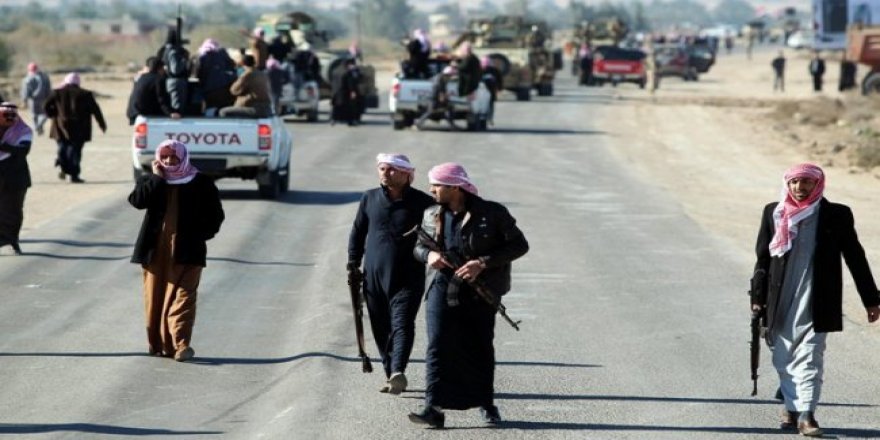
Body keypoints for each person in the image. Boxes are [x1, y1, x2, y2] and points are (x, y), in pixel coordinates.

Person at [751, 163, 880, 437]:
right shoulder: (773, 213)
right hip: (780, 300)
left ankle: (806, 414)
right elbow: (763, 259)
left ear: (818, 184)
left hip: (817, 301)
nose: (800, 188)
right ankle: (790, 405)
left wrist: (871, 299)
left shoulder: (836, 214)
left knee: (810, 356)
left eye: (807, 182)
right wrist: (758, 298)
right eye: (795, 182)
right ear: (788, 184)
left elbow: (855, 257)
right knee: (783, 357)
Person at [408, 163, 529, 429]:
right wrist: (430, 256)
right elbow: (418, 247)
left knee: (479, 346)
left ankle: (486, 403)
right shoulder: (431, 214)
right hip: (441, 286)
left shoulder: (492, 212)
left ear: (454, 187)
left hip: (480, 290)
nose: (431, 190)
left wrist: (483, 263)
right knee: (438, 344)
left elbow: (520, 245)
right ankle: (433, 407)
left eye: (437, 186)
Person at [128, 139, 224, 362]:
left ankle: (181, 345)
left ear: (184, 158)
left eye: (175, 157)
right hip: (155, 252)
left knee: (184, 297)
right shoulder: (152, 180)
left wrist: (199, 235)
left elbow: (216, 216)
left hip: (189, 250)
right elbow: (137, 201)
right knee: (156, 298)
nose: (170, 161)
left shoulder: (201, 182)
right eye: (166, 157)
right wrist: (157, 179)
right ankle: (158, 344)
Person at [347, 154, 434, 395]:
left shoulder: (423, 203)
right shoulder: (370, 198)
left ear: (408, 174)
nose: (386, 173)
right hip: (373, 276)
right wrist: (353, 263)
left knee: (402, 323)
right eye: (382, 169)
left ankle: (398, 370)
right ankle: (390, 373)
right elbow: (357, 232)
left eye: (392, 170)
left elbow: (436, 236)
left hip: (408, 276)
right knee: (380, 326)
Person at [43, 72, 107, 183]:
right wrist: (102, 124)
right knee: (75, 151)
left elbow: (45, 106)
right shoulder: (85, 94)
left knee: (62, 147)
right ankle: (73, 175)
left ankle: (63, 165)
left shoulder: (57, 93)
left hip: (60, 126)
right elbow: (96, 110)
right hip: (80, 128)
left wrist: (53, 114)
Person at [0, 102, 33, 256]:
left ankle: (12, 241)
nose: (9, 119)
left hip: (16, 177)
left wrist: (4, 146)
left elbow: (23, 151)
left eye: (12, 116)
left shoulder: (24, 131)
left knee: (13, 211)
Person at [192, 38, 237, 116]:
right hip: (223, 88)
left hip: (208, 90)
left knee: (210, 107)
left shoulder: (202, 56)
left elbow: (198, 73)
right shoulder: (222, 53)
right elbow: (232, 66)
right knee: (223, 107)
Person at [126, 57, 173, 125]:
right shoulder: (158, 79)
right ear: (160, 68)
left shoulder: (140, 77)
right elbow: (161, 98)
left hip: (133, 112)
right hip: (143, 113)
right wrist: (170, 113)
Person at [157, 28, 191, 116]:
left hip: (170, 81)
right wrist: (184, 59)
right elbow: (175, 70)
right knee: (177, 109)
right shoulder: (173, 52)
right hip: (176, 82)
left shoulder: (166, 49)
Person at [19, 62, 52, 135]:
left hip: (32, 100)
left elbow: (25, 90)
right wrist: (49, 97)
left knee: (34, 115)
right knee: (45, 114)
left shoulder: (27, 79)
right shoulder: (45, 77)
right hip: (43, 99)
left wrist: (24, 100)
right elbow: (49, 88)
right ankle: (39, 127)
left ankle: (37, 127)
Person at [331, 58, 363, 126]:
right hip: (345, 92)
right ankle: (350, 121)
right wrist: (353, 91)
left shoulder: (335, 71)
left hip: (336, 92)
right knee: (349, 108)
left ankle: (333, 120)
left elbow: (332, 81)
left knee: (336, 107)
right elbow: (350, 83)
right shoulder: (347, 72)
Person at [480, 56, 501, 125]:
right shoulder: (478, 70)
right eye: (483, 64)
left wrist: (499, 88)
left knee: (490, 105)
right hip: (480, 92)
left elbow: (499, 80)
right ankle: (482, 118)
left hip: (491, 91)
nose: (485, 66)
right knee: (481, 106)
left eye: (486, 64)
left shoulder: (494, 71)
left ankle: (490, 118)